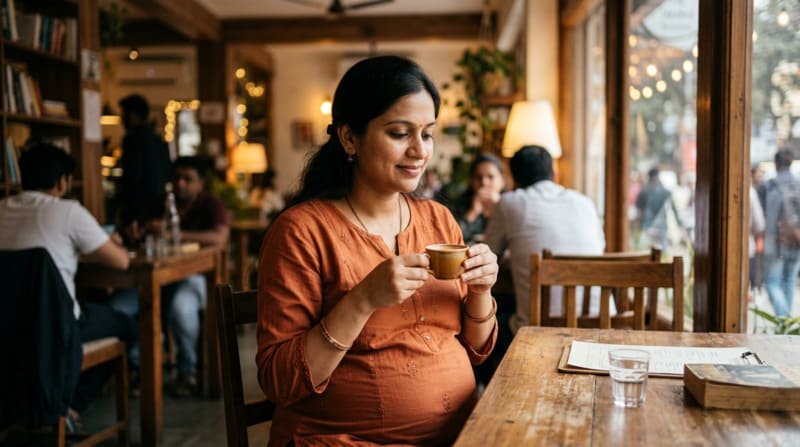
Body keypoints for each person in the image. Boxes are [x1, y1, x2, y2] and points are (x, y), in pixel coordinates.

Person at [256, 55, 498, 445]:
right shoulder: (301, 232)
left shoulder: (438, 220)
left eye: (428, 133)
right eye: (400, 133)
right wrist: (363, 299)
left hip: (463, 436)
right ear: (350, 138)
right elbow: (279, 382)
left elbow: (476, 349)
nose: (420, 151)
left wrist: (481, 290)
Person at [0, 141, 133, 429]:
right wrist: (109, 242)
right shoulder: (68, 211)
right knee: (125, 325)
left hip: (7, 327)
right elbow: (121, 262)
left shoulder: (2, 208)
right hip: (55, 328)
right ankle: (69, 407)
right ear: (63, 181)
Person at [481, 145, 604, 382]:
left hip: (539, 328)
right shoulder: (584, 202)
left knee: (485, 324)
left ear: (513, 178)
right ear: (553, 174)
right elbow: (599, 249)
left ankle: (484, 396)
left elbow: (488, 256)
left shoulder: (509, 203)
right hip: (600, 324)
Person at [111, 156, 230, 396]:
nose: (181, 183)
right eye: (177, 178)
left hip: (197, 276)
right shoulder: (160, 203)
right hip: (154, 276)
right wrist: (135, 233)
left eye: (188, 179)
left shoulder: (211, 204)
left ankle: (188, 373)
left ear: (201, 183)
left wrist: (176, 233)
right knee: (117, 309)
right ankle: (140, 369)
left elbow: (219, 238)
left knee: (180, 309)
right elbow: (138, 233)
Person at [118, 93, 172, 242]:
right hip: (158, 205)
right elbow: (168, 172)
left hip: (137, 206)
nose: (121, 119)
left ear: (133, 114)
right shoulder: (159, 140)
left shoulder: (132, 140)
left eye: (124, 114)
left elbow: (132, 176)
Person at [760, 149, 800, 317]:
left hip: (775, 240)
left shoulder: (768, 186)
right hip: (796, 239)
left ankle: (784, 318)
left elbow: (762, 215)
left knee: (771, 282)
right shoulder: (799, 183)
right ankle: (786, 324)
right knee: (789, 279)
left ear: (776, 163)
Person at [449, 152, 506, 244]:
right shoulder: (461, 204)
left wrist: (499, 207)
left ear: (502, 180)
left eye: (490, 177)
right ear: (471, 181)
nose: (484, 182)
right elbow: (450, 240)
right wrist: (473, 212)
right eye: (478, 177)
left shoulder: (510, 204)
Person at [635, 167, 672, 249]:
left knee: (645, 251)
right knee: (662, 253)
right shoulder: (666, 191)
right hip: (661, 225)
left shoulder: (644, 190)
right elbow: (671, 208)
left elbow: (638, 208)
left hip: (647, 224)